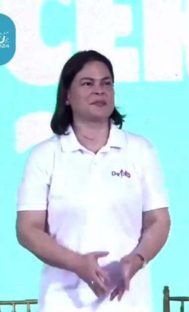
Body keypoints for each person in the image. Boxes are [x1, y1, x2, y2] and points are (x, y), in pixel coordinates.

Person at [16, 50, 171, 312]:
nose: (99, 91)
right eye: (87, 83)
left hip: (128, 303)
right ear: (66, 95)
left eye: (106, 83)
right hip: (63, 302)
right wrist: (77, 263)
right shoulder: (45, 156)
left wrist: (136, 260)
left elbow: (159, 220)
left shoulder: (140, 150)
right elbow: (27, 229)